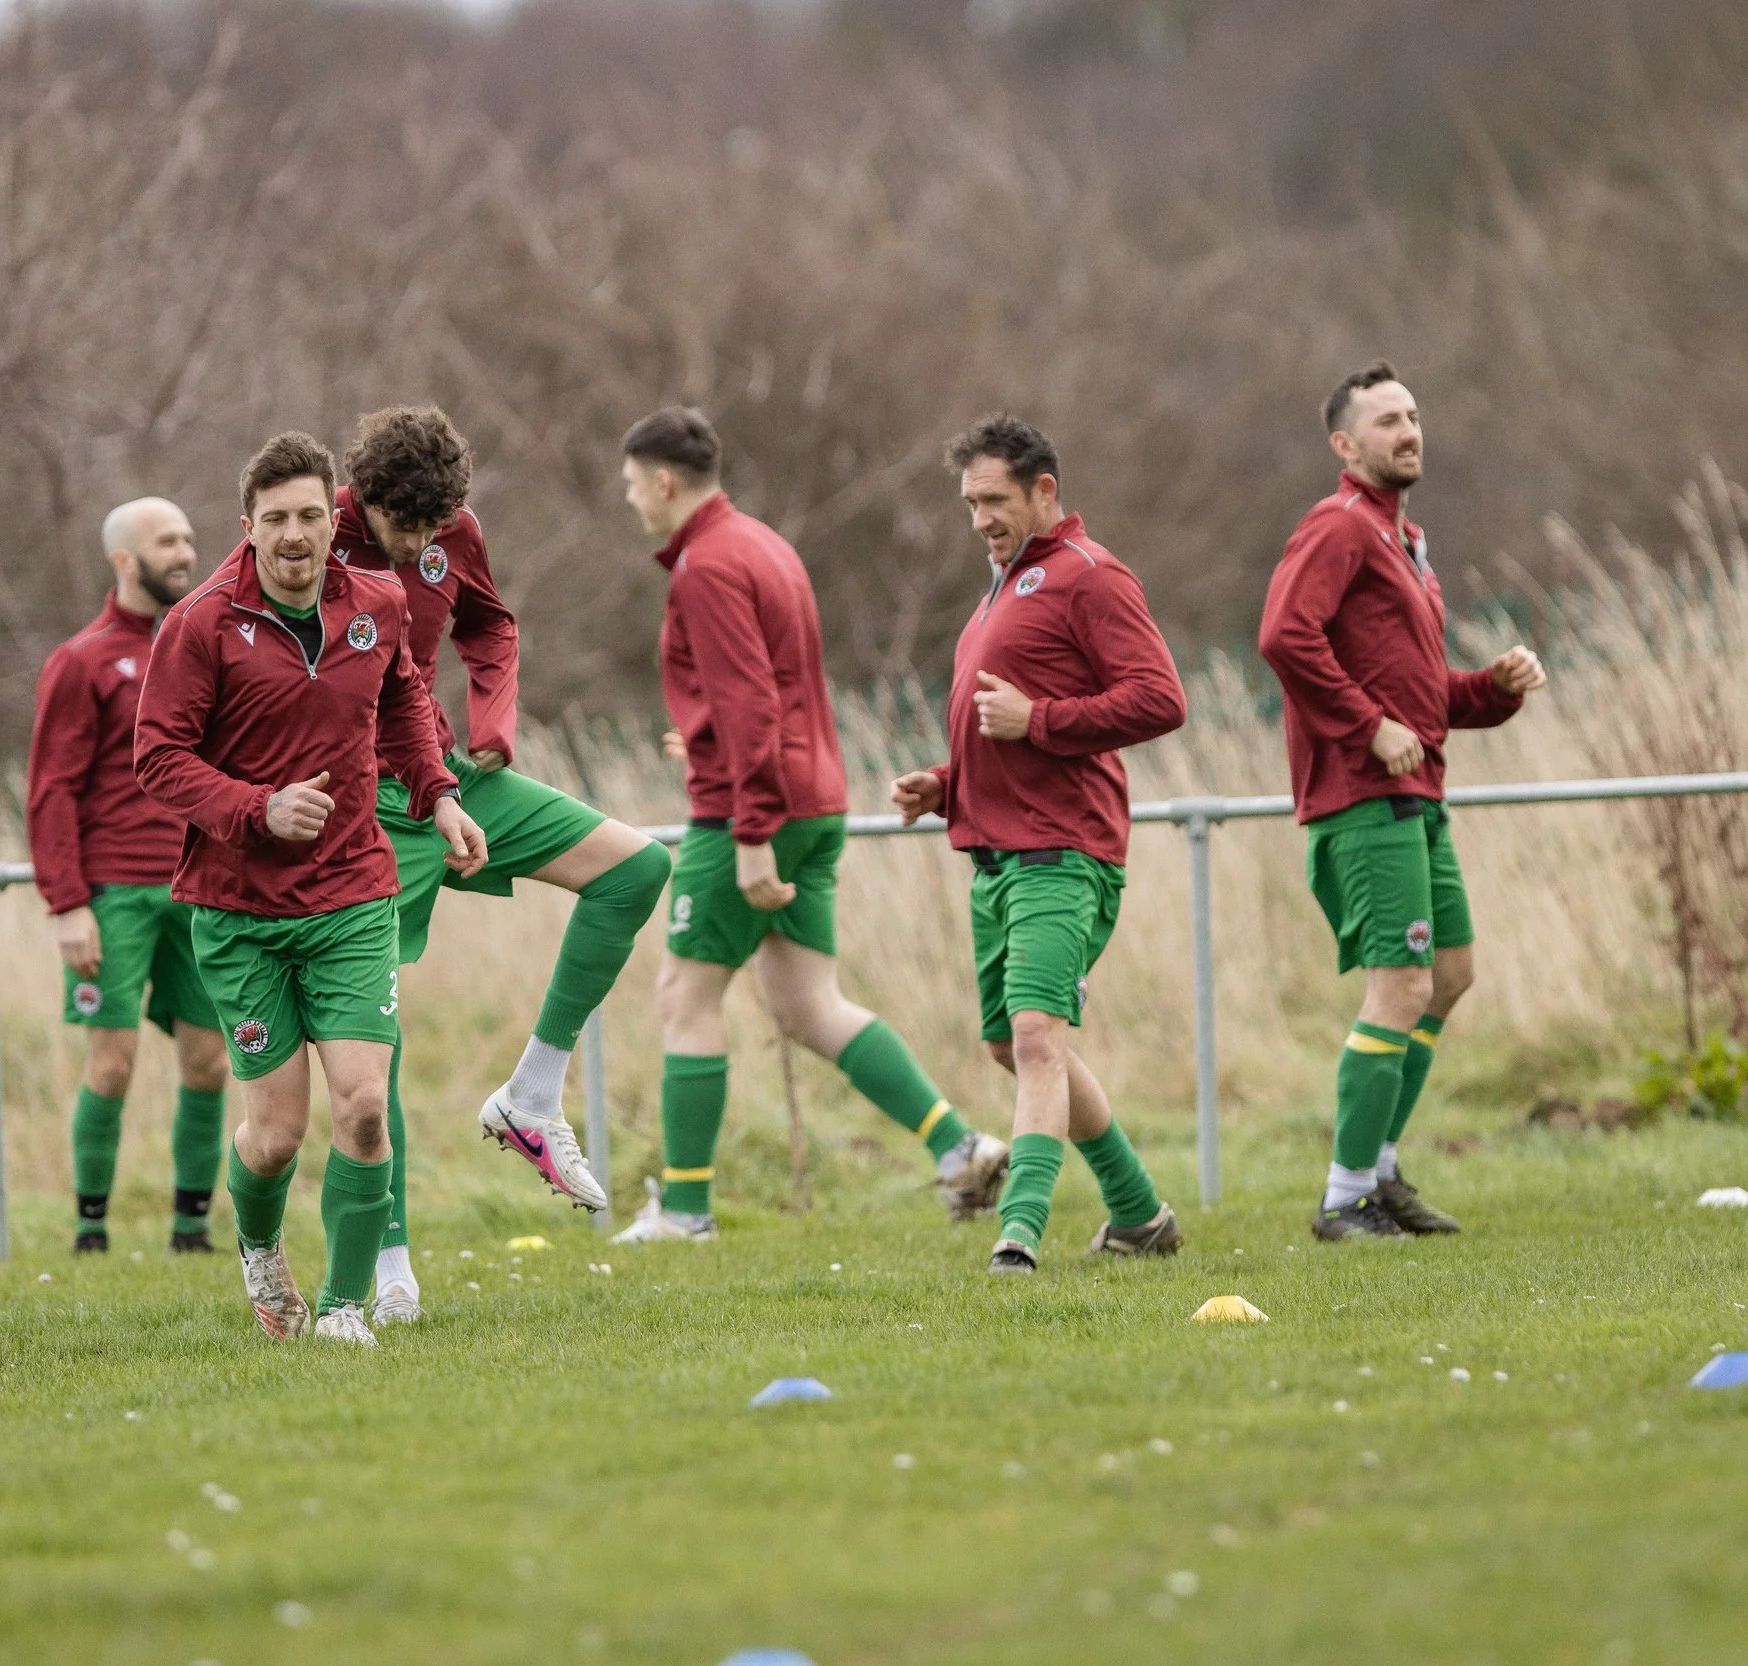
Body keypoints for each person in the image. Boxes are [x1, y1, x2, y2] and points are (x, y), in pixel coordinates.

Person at [616, 405, 1010, 1244]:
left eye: (629, 485)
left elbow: (754, 701)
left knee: (684, 998)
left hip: (748, 815)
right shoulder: (764, 544)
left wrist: (750, 829)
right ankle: (958, 1145)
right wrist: (707, 740)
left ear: (662, 480)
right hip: (816, 798)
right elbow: (769, 691)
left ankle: (684, 1209)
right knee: (807, 1005)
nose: (631, 501)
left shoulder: (706, 566)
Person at [136, 432, 485, 1347]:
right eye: (275, 519)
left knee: (365, 1108)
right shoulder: (200, 626)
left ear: (334, 520)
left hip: (353, 897)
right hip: (239, 915)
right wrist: (257, 807)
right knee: (277, 1137)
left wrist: (439, 793)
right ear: (246, 527)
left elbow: (403, 700)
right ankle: (258, 1250)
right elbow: (158, 758)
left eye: (309, 517)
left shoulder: (377, 602)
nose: (295, 535)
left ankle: (341, 1310)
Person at [332, 406, 668, 1318]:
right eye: (408, 531)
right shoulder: (315, 541)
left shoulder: (452, 533)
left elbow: (490, 626)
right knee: (374, 1042)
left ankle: (531, 1093)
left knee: (636, 869)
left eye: (438, 530)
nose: (423, 547)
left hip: (450, 780)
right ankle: (390, 1262)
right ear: (365, 501)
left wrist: (494, 726)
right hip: (360, 810)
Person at [891, 414, 1189, 1276]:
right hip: (994, 856)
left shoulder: (1090, 577)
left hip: (1065, 854)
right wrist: (945, 784)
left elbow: (1161, 699)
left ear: (1044, 491)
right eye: (969, 502)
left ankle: (1018, 1236)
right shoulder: (1001, 585)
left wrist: (1042, 721)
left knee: (1034, 1038)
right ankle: (1139, 1215)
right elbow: (1005, 729)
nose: (979, 517)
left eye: (994, 500)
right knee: (1011, 1046)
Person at [1257, 361, 1545, 1241]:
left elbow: (1423, 705)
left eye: (1413, 415)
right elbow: (1281, 636)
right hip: (1362, 801)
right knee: (1400, 985)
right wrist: (1364, 725)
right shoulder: (1340, 525)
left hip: (1416, 794)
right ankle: (1344, 1197)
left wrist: (1493, 690)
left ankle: (1379, 1173)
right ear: (1346, 446)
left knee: (1448, 977)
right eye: (1386, 421)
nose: (1408, 430)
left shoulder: (1406, 544)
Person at [26, 497, 229, 1255]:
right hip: (113, 895)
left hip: (200, 888)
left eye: (187, 538)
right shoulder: (81, 661)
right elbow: (51, 788)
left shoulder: (205, 646)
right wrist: (66, 904)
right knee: (111, 1066)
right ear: (123, 560)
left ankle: (192, 1230)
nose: (184, 553)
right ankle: (91, 1234)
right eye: (165, 541)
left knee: (210, 1060)